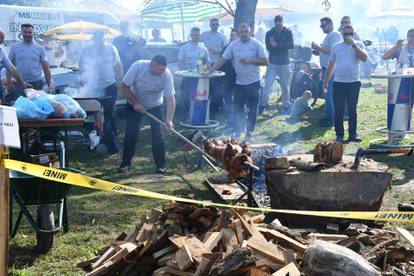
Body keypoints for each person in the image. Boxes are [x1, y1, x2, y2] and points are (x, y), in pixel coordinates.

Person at [206, 23, 268, 141]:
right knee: (238, 109)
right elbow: (222, 60)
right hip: (240, 83)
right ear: (239, 33)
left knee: (252, 109)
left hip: (254, 82)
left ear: (250, 32)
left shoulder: (256, 44)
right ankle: (238, 131)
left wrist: (250, 60)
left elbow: (265, 61)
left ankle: (249, 133)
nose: (244, 34)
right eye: (242, 32)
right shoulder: (233, 45)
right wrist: (209, 71)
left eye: (246, 32)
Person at [118, 55, 176, 174]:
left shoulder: (167, 75)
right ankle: (125, 164)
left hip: (155, 105)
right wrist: (136, 103)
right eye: (152, 67)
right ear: (151, 63)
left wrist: (169, 120)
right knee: (131, 133)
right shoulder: (138, 66)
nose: (153, 70)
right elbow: (124, 86)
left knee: (158, 135)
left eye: (159, 69)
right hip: (134, 103)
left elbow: (170, 99)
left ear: (163, 69)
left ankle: (160, 165)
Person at [79, 30, 124, 154]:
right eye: (98, 38)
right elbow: (82, 67)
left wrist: (120, 81)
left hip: (110, 85)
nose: (100, 40)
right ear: (94, 38)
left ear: (105, 38)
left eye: (102, 38)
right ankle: (93, 140)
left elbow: (118, 66)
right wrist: (84, 83)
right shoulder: (87, 50)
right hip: (93, 87)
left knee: (110, 114)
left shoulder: (111, 49)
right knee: (92, 115)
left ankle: (112, 144)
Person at [323, 24, 368, 143]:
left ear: (353, 34)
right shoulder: (336, 46)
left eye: (350, 33)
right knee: (339, 110)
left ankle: (352, 134)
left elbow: (364, 58)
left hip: (353, 83)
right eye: (346, 34)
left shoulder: (358, 44)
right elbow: (331, 64)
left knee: (352, 109)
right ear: (342, 34)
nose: (348, 36)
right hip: (339, 83)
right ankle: (339, 135)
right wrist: (326, 81)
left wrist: (353, 45)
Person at [260, 15, 294, 114]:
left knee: (285, 85)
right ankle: (263, 104)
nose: (278, 23)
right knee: (267, 84)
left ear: (283, 22)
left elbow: (291, 45)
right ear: (274, 22)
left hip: (284, 63)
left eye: (280, 21)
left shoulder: (288, 32)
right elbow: (269, 48)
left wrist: (277, 45)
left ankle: (286, 105)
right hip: (272, 63)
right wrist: (280, 46)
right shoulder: (269, 33)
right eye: (277, 22)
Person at [311, 17, 342, 127]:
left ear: (330, 24)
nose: (322, 28)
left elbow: (334, 51)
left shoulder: (334, 35)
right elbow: (326, 52)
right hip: (325, 68)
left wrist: (318, 48)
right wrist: (317, 51)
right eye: (321, 26)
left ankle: (331, 119)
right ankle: (330, 117)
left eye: (323, 26)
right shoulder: (329, 36)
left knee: (328, 94)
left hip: (331, 68)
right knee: (327, 93)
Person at [8, 24, 52, 91]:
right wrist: (9, 82)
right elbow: (9, 66)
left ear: (33, 33)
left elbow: (46, 68)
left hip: (37, 83)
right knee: (21, 101)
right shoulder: (14, 47)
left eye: (30, 32)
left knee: (37, 101)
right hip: (19, 83)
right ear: (21, 32)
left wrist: (49, 84)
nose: (27, 34)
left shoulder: (40, 48)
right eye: (25, 32)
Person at [177, 27, 210, 119]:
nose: (196, 37)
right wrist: (184, 72)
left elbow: (208, 62)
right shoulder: (185, 48)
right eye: (195, 35)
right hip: (188, 77)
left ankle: (199, 115)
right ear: (191, 36)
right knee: (186, 97)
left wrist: (207, 72)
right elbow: (179, 61)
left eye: (198, 35)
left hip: (201, 78)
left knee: (199, 97)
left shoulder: (203, 48)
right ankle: (187, 113)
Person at [201, 18, 227, 117]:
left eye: (216, 24)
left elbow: (226, 49)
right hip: (206, 64)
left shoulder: (221, 36)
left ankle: (215, 109)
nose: (215, 25)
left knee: (217, 87)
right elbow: (195, 40)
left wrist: (217, 50)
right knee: (207, 86)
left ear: (218, 25)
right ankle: (207, 108)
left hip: (217, 64)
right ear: (210, 25)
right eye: (213, 24)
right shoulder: (205, 34)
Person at [0, 30, 30, 102]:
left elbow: (12, 69)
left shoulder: (1, 52)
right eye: (0, 37)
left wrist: (22, 84)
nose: (1, 40)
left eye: (2, 38)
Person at [220, 28, 238, 132]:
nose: (232, 37)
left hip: (238, 79)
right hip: (227, 79)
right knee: (228, 101)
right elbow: (221, 62)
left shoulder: (240, 48)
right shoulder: (225, 48)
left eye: (234, 35)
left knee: (238, 102)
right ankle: (229, 122)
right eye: (231, 36)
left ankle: (238, 124)